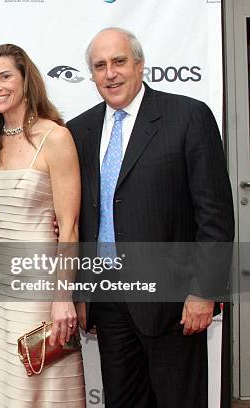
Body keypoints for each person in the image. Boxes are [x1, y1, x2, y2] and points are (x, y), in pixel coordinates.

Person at [66, 27, 234, 408]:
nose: (110, 73)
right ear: (91, 75)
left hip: (173, 302)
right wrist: (80, 293)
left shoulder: (188, 117)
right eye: (100, 65)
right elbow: (80, 217)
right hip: (108, 302)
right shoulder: (79, 131)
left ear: (140, 65)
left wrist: (204, 291)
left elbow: (215, 215)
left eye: (119, 61)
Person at [0, 43, 86, 407]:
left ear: (25, 80)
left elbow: (69, 228)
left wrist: (63, 297)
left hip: (40, 278)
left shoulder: (56, 137)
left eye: (4, 76)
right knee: (5, 382)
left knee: (39, 377)